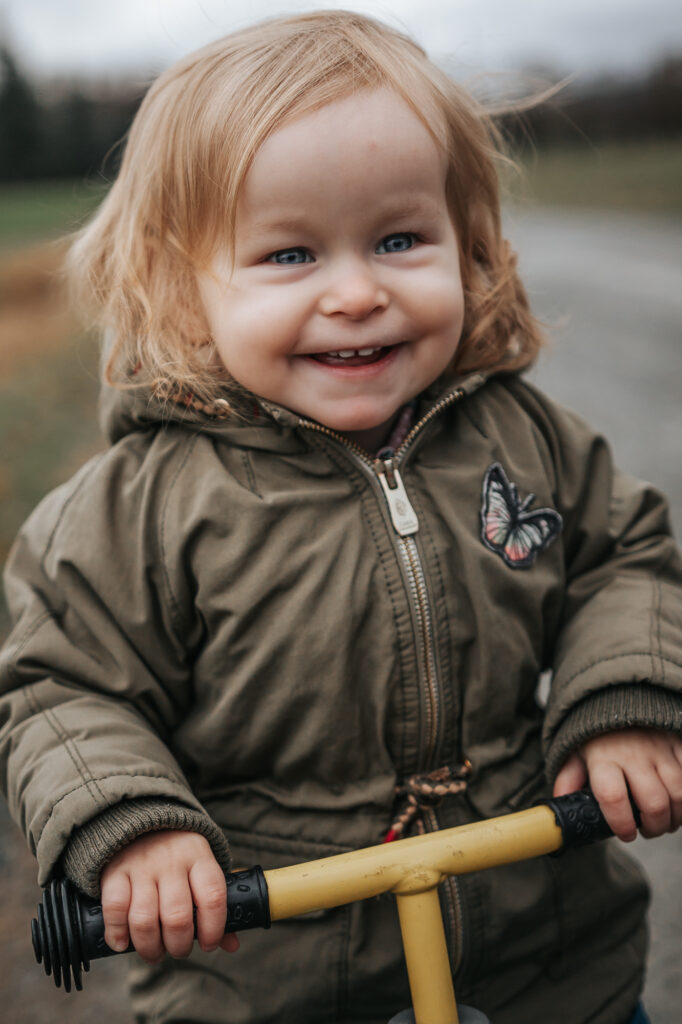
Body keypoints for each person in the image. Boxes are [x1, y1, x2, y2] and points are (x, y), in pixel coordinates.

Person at [1, 11, 681, 1024]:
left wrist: (623, 692)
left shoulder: (521, 437)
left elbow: (624, 556)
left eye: (400, 239)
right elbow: (61, 686)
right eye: (289, 256)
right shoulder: (135, 511)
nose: (357, 292)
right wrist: (133, 825)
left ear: (471, 244)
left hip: (549, 954)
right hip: (265, 975)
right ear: (184, 293)